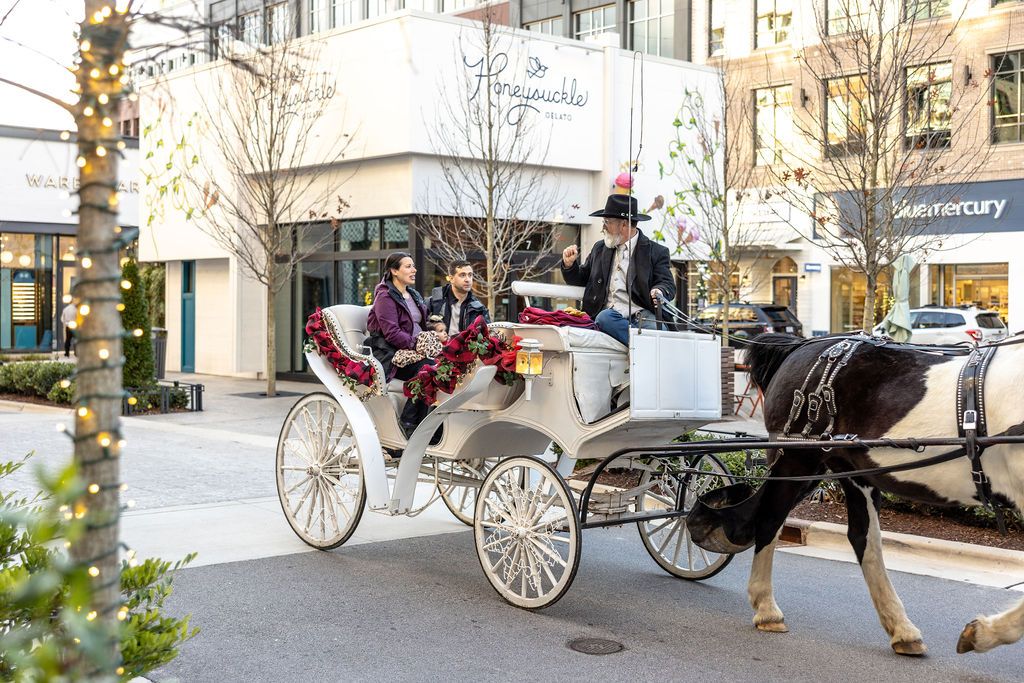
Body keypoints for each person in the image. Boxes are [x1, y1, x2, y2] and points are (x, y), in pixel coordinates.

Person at [560, 194, 676, 346]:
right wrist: (569, 265)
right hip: (610, 317)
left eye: (607, 222)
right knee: (604, 318)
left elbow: (667, 284)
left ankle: (640, 347)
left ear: (624, 225)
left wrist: (658, 290)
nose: (603, 227)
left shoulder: (656, 252)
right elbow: (580, 279)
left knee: (663, 336)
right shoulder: (599, 248)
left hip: (643, 316)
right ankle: (642, 349)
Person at [366, 252, 435, 437]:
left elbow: (422, 324)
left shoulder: (413, 294)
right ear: (394, 271)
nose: (414, 270)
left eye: (413, 266)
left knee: (446, 367)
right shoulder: (385, 297)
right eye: (408, 266)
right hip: (392, 355)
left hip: (417, 351)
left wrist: (435, 332)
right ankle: (408, 422)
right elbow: (392, 333)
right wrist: (419, 344)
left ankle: (433, 424)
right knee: (429, 369)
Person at [427, 260, 491, 336]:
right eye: (462, 275)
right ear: (451, 278)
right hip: (438, 346)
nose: (467, 279)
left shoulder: (478, 308)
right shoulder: (435, 301)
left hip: (466, 347)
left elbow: (487, 335)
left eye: (470, 275)